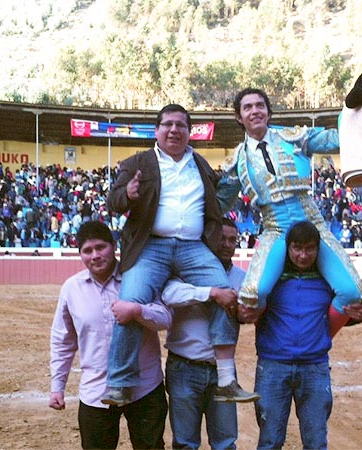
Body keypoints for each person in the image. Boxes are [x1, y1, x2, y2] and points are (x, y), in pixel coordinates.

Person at [104, 104, 253, 406]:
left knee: (226, 293)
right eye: (168, 124)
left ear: (189, 132)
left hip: (193, 247)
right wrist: (128, 195)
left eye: (181, 125)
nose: (174, 130)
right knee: (130, 302)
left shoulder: (201, 165)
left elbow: (218, 201)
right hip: (151, 246)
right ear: (157, 130)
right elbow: (113, 202)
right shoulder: (137, 162)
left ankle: (226, 380)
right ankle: (119, 383)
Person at [218, 88, 362, 335]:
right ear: (239, 117)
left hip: (312, 224)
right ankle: (273, 338)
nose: (255, 111)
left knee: (351, 293)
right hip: (276, 229)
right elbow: (220, 202)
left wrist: (356, 109)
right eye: (248, 107)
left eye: (260, 105)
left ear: (268, 112)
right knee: (253, 295)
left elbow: (337, 139)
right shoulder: (237, 161)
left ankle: (321, 337)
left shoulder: (294, 138)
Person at [239, 221, 362, 450]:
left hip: (313, 366)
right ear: (288, 248)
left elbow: (342, 313)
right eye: (297, 248)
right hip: (274, 365)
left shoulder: (329, 281)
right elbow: (249, 311)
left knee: (315, 442)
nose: (303, 255)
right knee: (270, 441)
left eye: (309, 248)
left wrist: (360, 315)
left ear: (318, 249)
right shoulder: (270, 281)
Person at [49, 221, 171, 449]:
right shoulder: (71, 288)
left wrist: (138, 311)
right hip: (97, 390)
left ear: (114, 246)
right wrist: (58, 386)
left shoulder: (139, 278)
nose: (95, 255)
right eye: (87, 250)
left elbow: (166, 317)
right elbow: (62, 341)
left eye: (100, 247)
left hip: (144, 386)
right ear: (80, 255)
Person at [161, 217, 255, 449]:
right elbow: (169, 295)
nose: (226, 244)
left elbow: (247, 314)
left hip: (221, 371)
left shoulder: (242, 278)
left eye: (232, 240)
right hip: (184, 366)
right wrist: (211, 293)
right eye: (221, 238)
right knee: (185, 444)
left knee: (225, 444)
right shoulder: (185, 268)